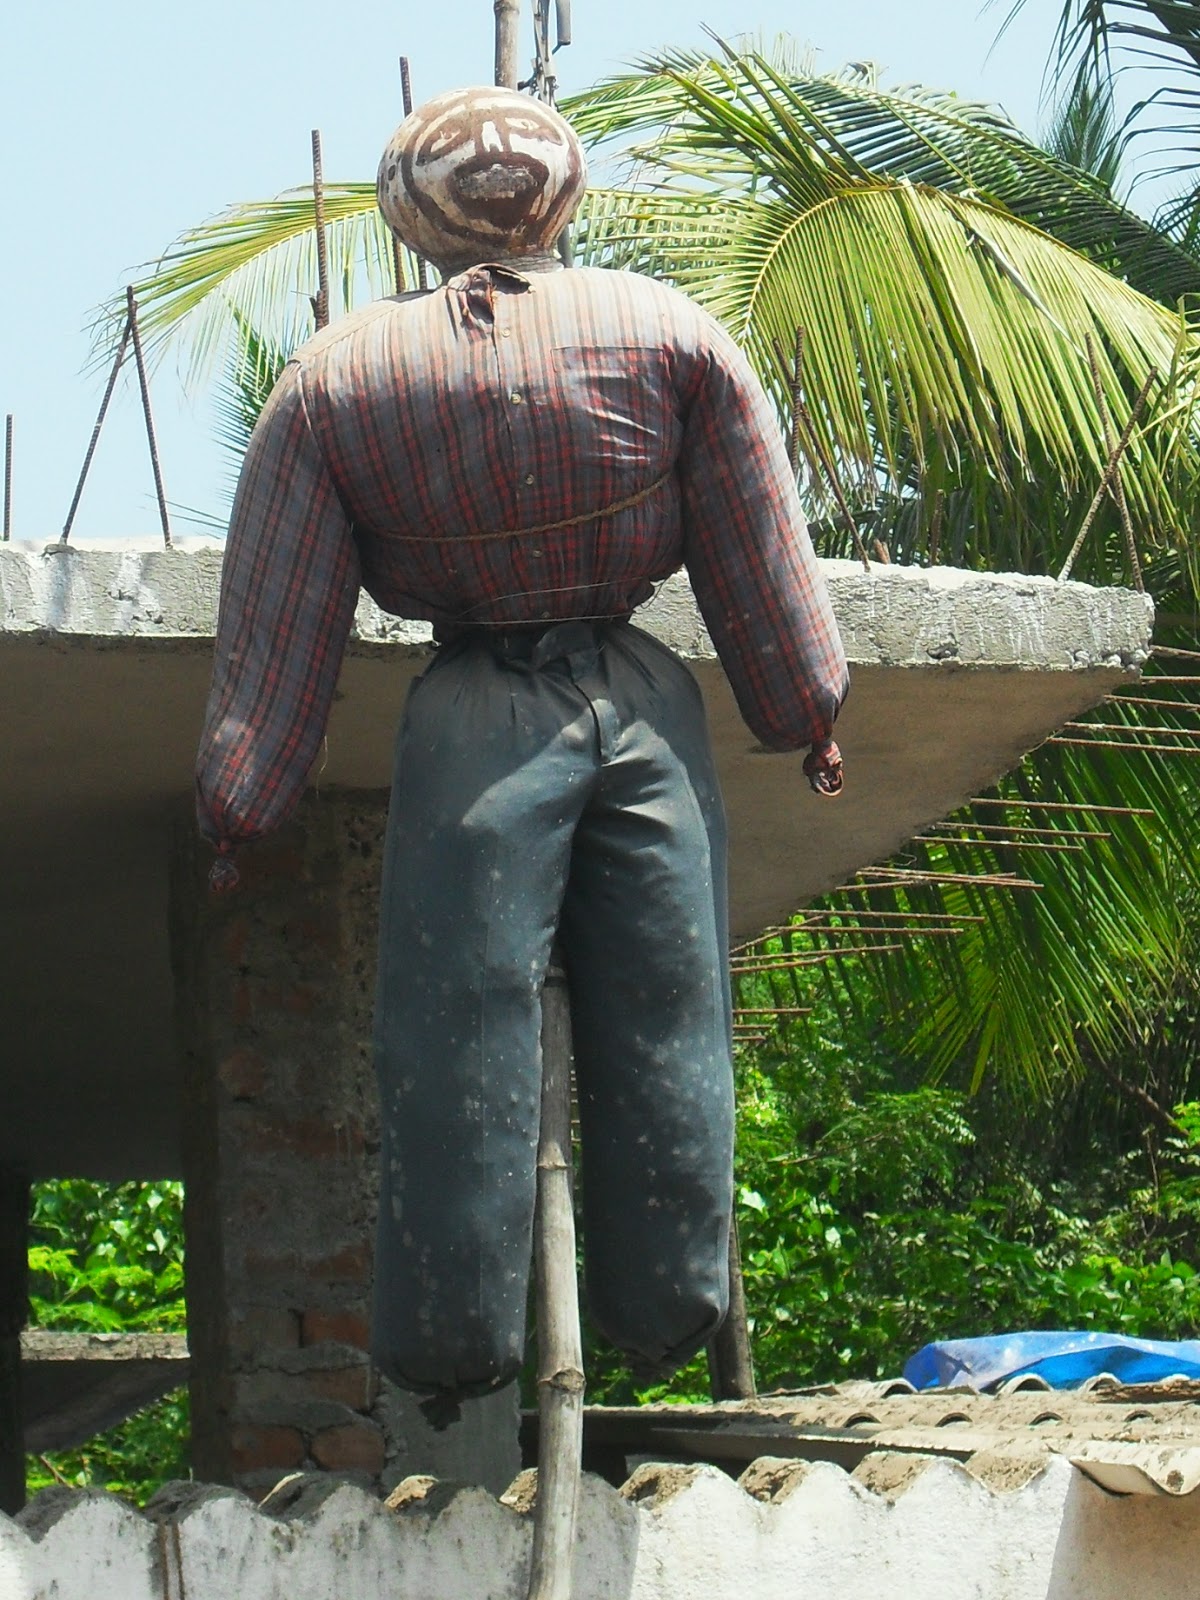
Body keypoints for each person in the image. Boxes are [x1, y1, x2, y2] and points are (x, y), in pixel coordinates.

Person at [195, 85, 849, 1408]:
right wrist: (806, 712)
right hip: (644, 706)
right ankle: (667, 1309)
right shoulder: (671, 332)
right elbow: (760, 556)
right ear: (565, 192)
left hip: (471, 718)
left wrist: (240, 807)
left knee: (455, 1021)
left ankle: (451, 1343)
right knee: (671, 1005)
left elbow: (279, 629)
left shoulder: (338, 378)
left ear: (409, 209)